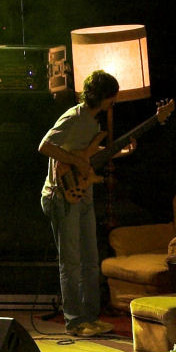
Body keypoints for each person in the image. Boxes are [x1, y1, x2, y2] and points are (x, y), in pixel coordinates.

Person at [38, 70, 132, 338]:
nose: (113, 102)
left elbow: (85, 154)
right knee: (71, 262)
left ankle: (90, 317)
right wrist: (76, 161)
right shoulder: (73, 117)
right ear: (102, 97)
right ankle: (74, 321)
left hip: (83, 193)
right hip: (61, 195)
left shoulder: (92, 122)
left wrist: (122, 151)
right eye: (111, 97)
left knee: (91, 259)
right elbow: (45, 146)